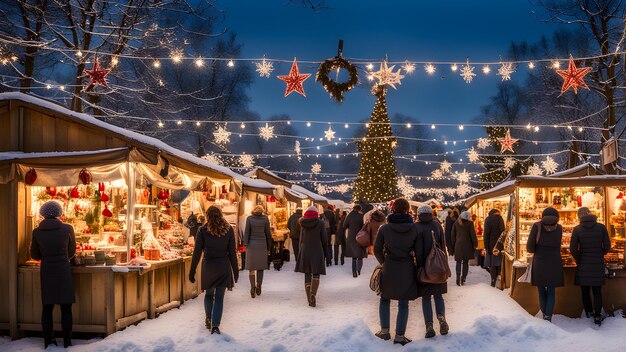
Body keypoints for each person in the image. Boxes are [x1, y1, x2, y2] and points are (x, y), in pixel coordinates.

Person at [30, 201, 76, 348]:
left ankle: (48, 341)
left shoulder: (36, 232)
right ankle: (67, 342)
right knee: (66, 308)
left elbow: (34, 254)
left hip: (47, 271)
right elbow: (72, 252)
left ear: (43, 214)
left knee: (47, 308)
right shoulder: (68, 229)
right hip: (63, 270)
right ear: (59, 213)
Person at [373, 198, 418, 346]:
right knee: (403, 302)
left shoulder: (384, 228)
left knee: (385, 298)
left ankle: (385, 331)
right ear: (407, 210)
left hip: (389, 267)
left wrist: (384, 262)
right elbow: (418, 250)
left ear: (393, 210)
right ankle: (400, 335)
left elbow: (377, 249)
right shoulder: (414, 228)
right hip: (407, 267)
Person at [189, 206, 239, 335]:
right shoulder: (228, 230)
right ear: (220, 215)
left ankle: (208, 318)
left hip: (208, 266)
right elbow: (232, 253)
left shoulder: (202, 230)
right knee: (220, 298)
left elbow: (197, 252)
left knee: (209, 294)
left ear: (207, 216)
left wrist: (192, 270)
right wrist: (235, 270)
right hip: (223, 266)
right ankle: (215, 325)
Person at [570, 207, 611, 325]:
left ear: (579, 217)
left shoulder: (577, 229)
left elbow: (573, 249)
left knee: (585, 290)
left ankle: (588, 313)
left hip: (583, 264)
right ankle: (597, 315)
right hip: (597, 263)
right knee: (597, 291)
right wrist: (599, 254)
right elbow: (607, 245)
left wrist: (579, 259)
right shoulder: (601, 227)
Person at [415, 205, 449, 338]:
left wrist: (418, 267)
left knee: (426, 298)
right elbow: (443, 245)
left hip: (424, 268)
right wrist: (444, 264)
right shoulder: (437, 225)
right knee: (438, 295)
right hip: (438, 267)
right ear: (431, 213)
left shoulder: (416, 227)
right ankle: (442, 319)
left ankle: (429, 325)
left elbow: (416, 250)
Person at [527, 207, 564, 322]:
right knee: (551, 291)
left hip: (540, 262)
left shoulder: (537, 226)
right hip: (555, 262)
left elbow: (530, 248)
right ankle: (548, 316)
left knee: (541, 290)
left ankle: (544, 315)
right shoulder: (559, 228)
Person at [295, 206, 327, 307]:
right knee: (316, 273)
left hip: (305, 249)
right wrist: (325, 252)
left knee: (307, 273)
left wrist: (301, 251)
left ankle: (309, 298)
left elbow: (301, 238)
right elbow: (324, 239)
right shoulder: (320, 223)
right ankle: (313, 294)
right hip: (317, 249)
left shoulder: (302, 223)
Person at [243, 205, 272, 298]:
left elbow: (247, 232)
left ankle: (252, 287)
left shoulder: (249, 218)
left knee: (251, 268)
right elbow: (268, 233)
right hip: (262, 244)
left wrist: (245, 244)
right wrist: (269, 246)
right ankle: (259, 285)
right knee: (260, 267)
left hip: (251, 245)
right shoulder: (265, 219)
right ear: (262, 211)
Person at [451, 211, 478, 286]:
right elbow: (473, 235)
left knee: (458, 262)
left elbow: (452, 236)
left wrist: (453, 246)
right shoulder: (470, 224)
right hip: (467, 246)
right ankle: (463, 278)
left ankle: (457, 277)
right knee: (465, 262)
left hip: (458, 245)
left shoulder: (456, 223)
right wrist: (475, 243)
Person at [483, 209, 505, 287]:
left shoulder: (488, 219)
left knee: (492, 264)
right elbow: (503, 232)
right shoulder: (500, 218)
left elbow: (486, 234)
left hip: (490, 245)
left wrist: (486, 247)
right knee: (499, 263)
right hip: (499, 245)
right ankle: (500, 282)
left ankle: (493, 280)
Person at [343, 204, 366, 277]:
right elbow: (365, 226)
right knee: (360, 255)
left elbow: (344, 226)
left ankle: (354, 272)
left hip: (351, 237)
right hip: (360, 237)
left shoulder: (349, 216)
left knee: (354, 256)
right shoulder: (362, 216)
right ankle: (359, 270)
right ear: (359, 209)